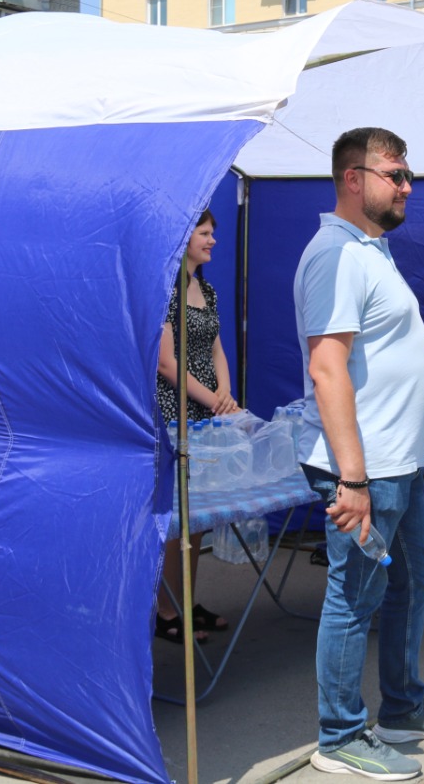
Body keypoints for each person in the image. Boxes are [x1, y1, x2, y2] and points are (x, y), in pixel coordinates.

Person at [294, 127, 424, 780]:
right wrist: (353, 478)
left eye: (406, 174)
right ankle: (339, 735)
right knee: (354, 596)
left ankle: (401, 705)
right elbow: (327, 366)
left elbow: (374, 352)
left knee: (412, 583)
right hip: (366, 468)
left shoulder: (371, 249)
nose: (407, 185)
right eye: (394, 174)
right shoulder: (336, 254)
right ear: (353, 178)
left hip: (400, 462)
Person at [154, 211, 238, 644]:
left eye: (213, 233)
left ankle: (184, 602)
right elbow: (167, 363)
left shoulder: (207, 289)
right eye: (205, 233)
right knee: (178, 519)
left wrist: (224, 390)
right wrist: (216, 402)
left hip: (208, 413)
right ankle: (167, 609)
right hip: (177, 416)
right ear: (183, 237)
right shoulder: (166, 291)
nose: (212, 241)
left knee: (198, 518)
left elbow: (218, 350)